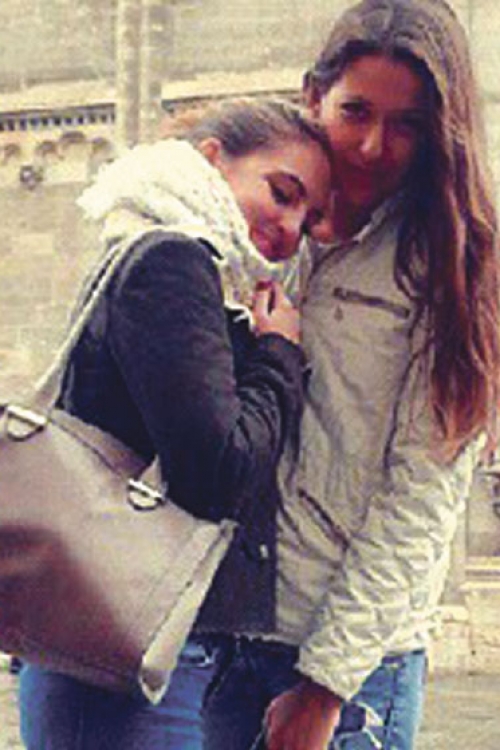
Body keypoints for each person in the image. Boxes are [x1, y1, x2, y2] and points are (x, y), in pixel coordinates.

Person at [202, 2, 500, 749]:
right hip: (231, 631)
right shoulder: (262, 220)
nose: (373, 146)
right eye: (355, 112)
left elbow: (422, 496)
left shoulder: (451, 265)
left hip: (350, 665)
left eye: (407, 125)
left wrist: (326, 685)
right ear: (314, 96)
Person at [18, 97, 334, 750]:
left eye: (308, 220)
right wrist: (279, 353)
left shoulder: (168, 257)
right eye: (282, 193)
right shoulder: (171, 261)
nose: (289, 229)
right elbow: (219, 474)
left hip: (122, 649)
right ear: (212, 158)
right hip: (124, 659)